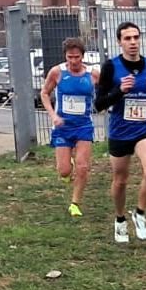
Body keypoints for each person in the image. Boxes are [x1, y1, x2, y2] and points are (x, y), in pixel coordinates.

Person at [95, 22, 146, 243]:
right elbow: (99, 104)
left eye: (136, 37)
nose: (133, 42)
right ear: (119, 42)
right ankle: (119, 219)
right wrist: (120, 90)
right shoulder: (111, 67)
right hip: (120, 131)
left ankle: (140, 214)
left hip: (145, 128)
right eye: (127, 38)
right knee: (121, 180)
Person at [40, 37, 99, 217]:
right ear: (65, 56)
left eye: (77, 57)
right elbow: (44, 93)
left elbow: (107, 91)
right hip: (63, 127)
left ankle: (75, 203)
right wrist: (53, 115)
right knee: (64, 170)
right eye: (70, 57)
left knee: (82, 167)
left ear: (83, 56)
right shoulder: (57, 72)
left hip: (84, 126)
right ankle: (66, 169)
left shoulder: (93, 74)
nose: (73, 61)